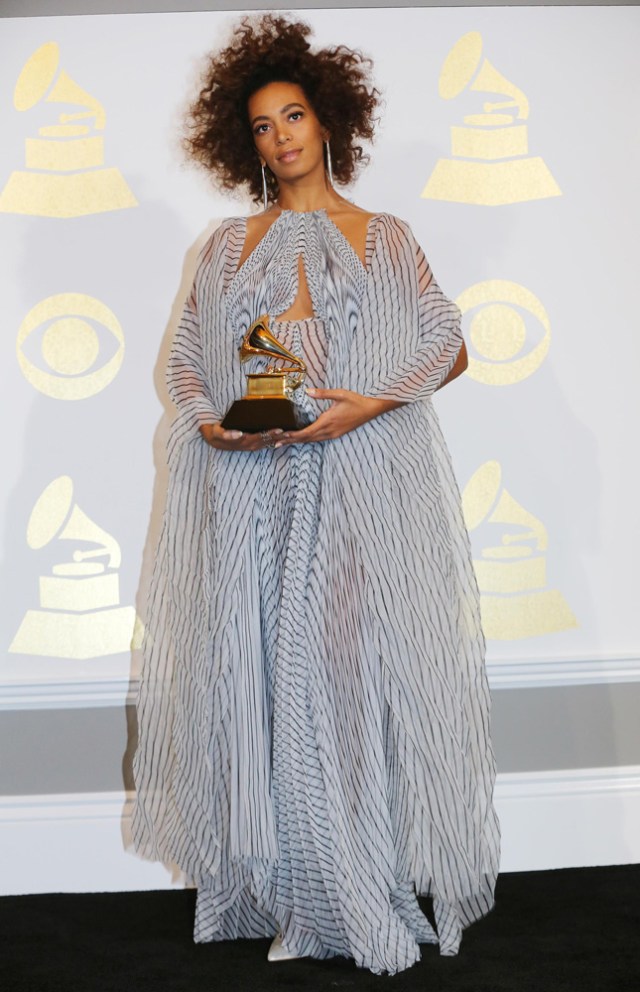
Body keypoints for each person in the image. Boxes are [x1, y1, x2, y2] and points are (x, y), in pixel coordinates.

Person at [132, 14, 500, 977]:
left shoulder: (383, 237)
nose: (281, 136)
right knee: (261, 681)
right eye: (261, 125)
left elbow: (448, 345)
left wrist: (368, 403)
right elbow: (183, 361)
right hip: (255, 493)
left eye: (293, 115)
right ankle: (283, 889)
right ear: (242, 141)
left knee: (340, 682)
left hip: (354, 490)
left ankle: (352, 888)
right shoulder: (225, 246)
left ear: (328, 120)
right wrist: (208, 417)